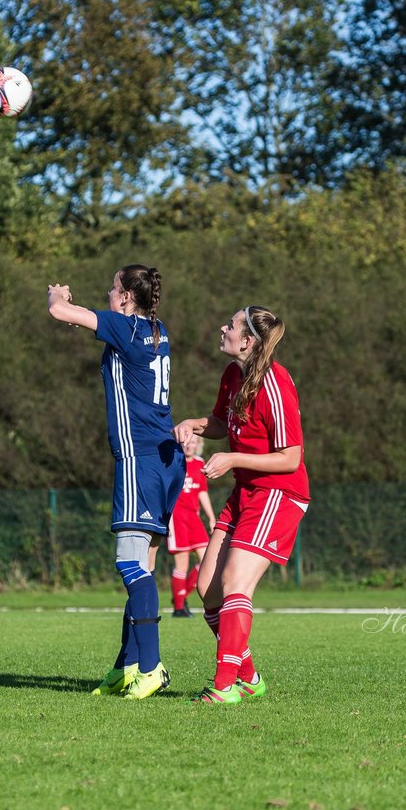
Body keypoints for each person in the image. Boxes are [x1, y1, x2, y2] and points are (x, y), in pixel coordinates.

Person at [47, 265, 185, 700]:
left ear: (126, 297)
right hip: (166, 461)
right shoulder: (156, 331)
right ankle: (126, 666)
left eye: (112, 287)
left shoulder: (125, 327)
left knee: (129, 565)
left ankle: (151, 666)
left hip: (138, 460)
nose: (107, 293)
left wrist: (58, 294)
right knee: (142, 568)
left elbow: (59, 312)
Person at [173, 305, 309, 704]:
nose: (222, 327)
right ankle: (247, 676)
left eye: (230, 325)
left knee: (235, 584)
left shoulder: (275, 383)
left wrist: (232, 459)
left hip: (279, 494)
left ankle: (224, 685)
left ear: (248, 340)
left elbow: (290, 459)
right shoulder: (233, 375)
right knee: (207, 590)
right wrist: (193, 424)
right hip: (246, 491)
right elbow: (219, 424)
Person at [167, 435, 216, 617]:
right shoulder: (174, 463)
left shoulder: (200, 463)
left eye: (193, 442)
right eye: (186, 442)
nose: (189, 445)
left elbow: (202, 492)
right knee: (182, 564)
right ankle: (179, 608)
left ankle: (180, 596)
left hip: (194, 518)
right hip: (176, 518)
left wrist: (211, 517)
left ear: (199, 445)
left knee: (206, 561)